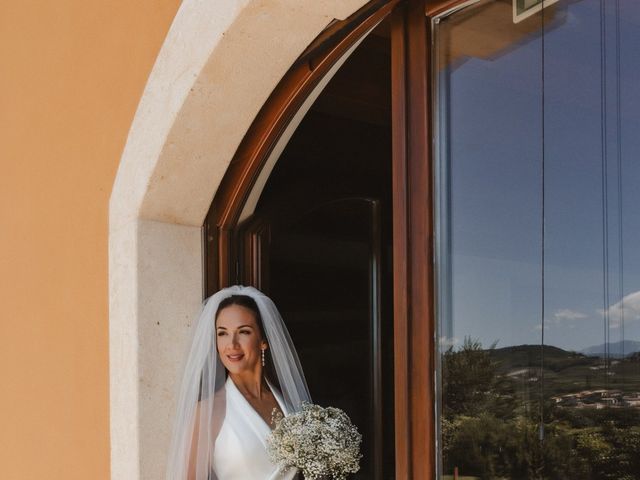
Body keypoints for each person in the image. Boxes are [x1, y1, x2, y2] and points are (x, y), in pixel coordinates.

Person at [166, 285, 311, 480]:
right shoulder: (206, 413)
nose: (232, 345)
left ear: (263, 340)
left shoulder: (289, 404)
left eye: (243, 332)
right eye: (222, 333)